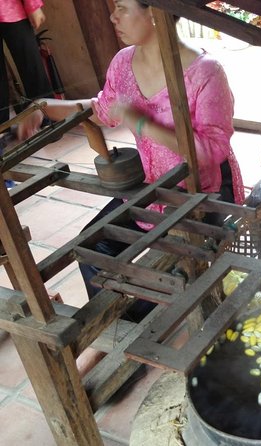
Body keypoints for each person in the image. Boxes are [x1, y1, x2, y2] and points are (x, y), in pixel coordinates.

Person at [18, 0, 244, 322]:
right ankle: (122, 328)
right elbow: (102, 109)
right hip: (152, 188)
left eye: (122, 8)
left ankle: (147, 316)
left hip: (204, 192)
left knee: (177, 266)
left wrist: (144, 124)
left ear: (154, 11)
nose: (113, 17)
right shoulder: (123, 63)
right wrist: (45, 107)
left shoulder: (205, 72)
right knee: (94, 250)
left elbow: (211, 149)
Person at [1, 0, 54, 186]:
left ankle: (49, 114)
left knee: (31, 62)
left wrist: (33, 5)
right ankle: (2, 132)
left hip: (10, 7)